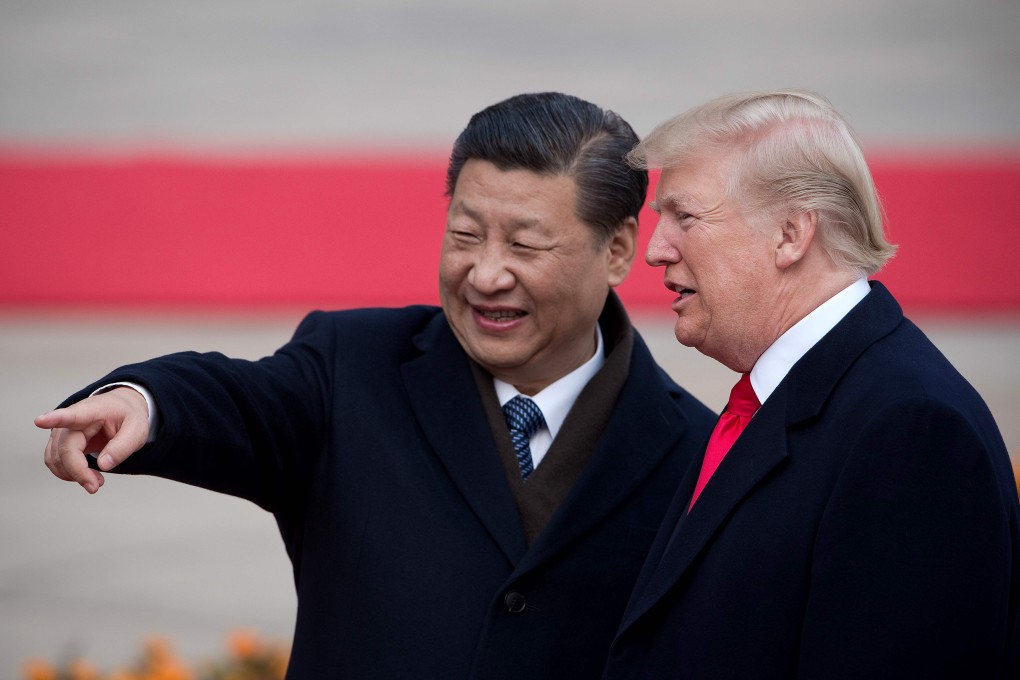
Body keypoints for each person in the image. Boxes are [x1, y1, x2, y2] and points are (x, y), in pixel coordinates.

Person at [34, 92, 716, 680]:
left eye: (525, 246)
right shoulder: (353, 367)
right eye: (465, 235)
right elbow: (241, 400)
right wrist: (142, 402)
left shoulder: (697, 452)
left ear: (620, 249)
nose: (484, 274)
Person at [602, 89, 1020, 679]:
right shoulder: (794, 395)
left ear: (791, 234)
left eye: (685, 217)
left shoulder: (911, 433)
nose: (655, 250)